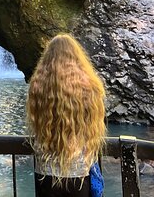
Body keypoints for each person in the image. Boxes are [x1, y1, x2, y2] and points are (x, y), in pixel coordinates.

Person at [26, 33, 106, 197]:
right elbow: (95, 125)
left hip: (45, 172)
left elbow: (35, 125)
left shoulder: (38, 88)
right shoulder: (90, 88)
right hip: (79, 171)